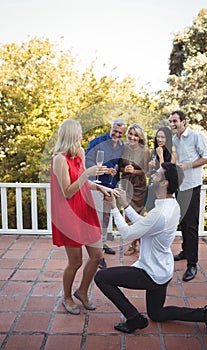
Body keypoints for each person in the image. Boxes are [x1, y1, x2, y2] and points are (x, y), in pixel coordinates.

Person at [94, 163, 207, 345]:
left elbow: (129, 233)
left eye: (157, 175)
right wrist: (124, 204)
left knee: (102, 278)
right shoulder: (171, 205)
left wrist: (114, 208)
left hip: (151, 273)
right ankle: (205, 313)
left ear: (165, 183)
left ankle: (134, 319)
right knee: (156, 314)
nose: (152, 175)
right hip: (163, 270)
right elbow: (146, 225)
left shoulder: (161, 213)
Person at [50, 118, 115, 314]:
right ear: (71, 135)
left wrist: (100, 187)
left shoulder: (78, 154)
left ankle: (83, 292)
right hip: (70, 216)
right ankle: (67, 297)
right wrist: (87, 173)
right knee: (76, 262)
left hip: (85, 211)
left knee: (97, 256)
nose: (81, 136)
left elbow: (82, 183)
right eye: (79, 133)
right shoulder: (59, 159)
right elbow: (68, 191)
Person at [168, 110, 207, 282]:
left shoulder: (195, 136)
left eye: (175, 121)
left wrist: (187, 166)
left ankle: (192, 264)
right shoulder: (175, 139)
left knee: (191, 226)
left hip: (192, 186)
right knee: (183, 223)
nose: (172, 124)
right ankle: (185, 252)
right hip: (180, 186)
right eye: (170, 121)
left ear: (183, 121)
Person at [85, 118, 126, 268]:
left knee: (106, 218)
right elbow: (87, 161)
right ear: (111, 128)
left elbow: (122, 163)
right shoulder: (97, 142)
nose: (116, 134)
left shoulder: (122, 146)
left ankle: (101, 245)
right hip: (96, 185)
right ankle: (97, 255)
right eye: (115, 131)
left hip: (111, 186)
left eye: (120, 133)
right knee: (97, 218)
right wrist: (103, 170)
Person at [119, 123, 150, 256]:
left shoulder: (145, 151)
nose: (132, 137)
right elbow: (119, 166)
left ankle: (139, 243)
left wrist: (135, 171)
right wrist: (124, 169)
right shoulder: (123, 148)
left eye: (135, 135)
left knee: (138, 216)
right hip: (126, 184)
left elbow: (147, 171)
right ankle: (133, 244)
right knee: (127, 216)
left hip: (139, 186)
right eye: (130, 134)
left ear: (140, 137)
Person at [146, 126, 175, 212]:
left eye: (162, 137)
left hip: (162, 190)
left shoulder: (172, 154)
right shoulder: (154, 152)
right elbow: (148, 174)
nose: (159, 139)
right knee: (150, 210)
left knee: (161, 213)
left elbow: (166, 174)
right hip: (152, 187)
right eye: (158, 137)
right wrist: (150, 167)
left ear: (168, 139)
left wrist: (161, 156)